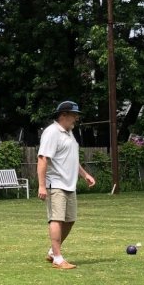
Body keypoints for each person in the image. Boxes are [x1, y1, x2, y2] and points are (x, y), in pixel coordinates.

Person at [37, 101, 96, 269]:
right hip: (55, 183)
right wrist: (42, 186)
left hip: (70, 184)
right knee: (56, 219)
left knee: (70, 220)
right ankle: (57, 258)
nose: (76, 119)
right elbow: (42, 159)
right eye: (74, 115)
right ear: (63, 115)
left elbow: (71, 159)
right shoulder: (52, 132)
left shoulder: (69, 133)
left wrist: (85, 175)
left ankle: (51, 252)